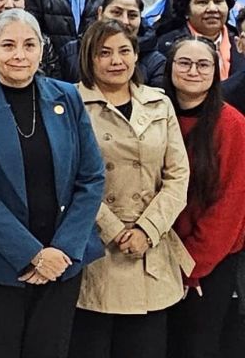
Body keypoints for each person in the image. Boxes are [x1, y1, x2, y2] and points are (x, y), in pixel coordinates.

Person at [0, 8, 106, 358]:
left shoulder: (67, 97)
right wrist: (32, 255)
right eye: (8, 45)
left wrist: (62, 250)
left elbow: (91, 178)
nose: (19, 55)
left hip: (60, 266)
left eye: (28, 45)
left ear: (41, 49)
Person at [67, 19, 191, 358]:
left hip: (151, 249)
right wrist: (116, 230)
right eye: (104, 53)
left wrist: (146, 230)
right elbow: (72, 179)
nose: (115, 60)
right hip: (97, 250)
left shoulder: (159, 103)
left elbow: (178, 177)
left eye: (124, 51)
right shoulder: (70, 103)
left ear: (137, 55)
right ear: (89, 58)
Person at [162, 37, 245, 358]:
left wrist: (189, 268)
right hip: (155, 257)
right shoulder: (155, 114)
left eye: (203, 64)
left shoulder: (233, 125)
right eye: (184, 63)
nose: (193, 71)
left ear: (217, 71)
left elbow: (230, 209)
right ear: (169, 69)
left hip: (206, 264)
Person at [157, 0, 244, 78]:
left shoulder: (240, 40)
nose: (212, 8)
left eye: (218, 1)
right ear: (186, 11)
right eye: (202, 2)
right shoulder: (167, 45)